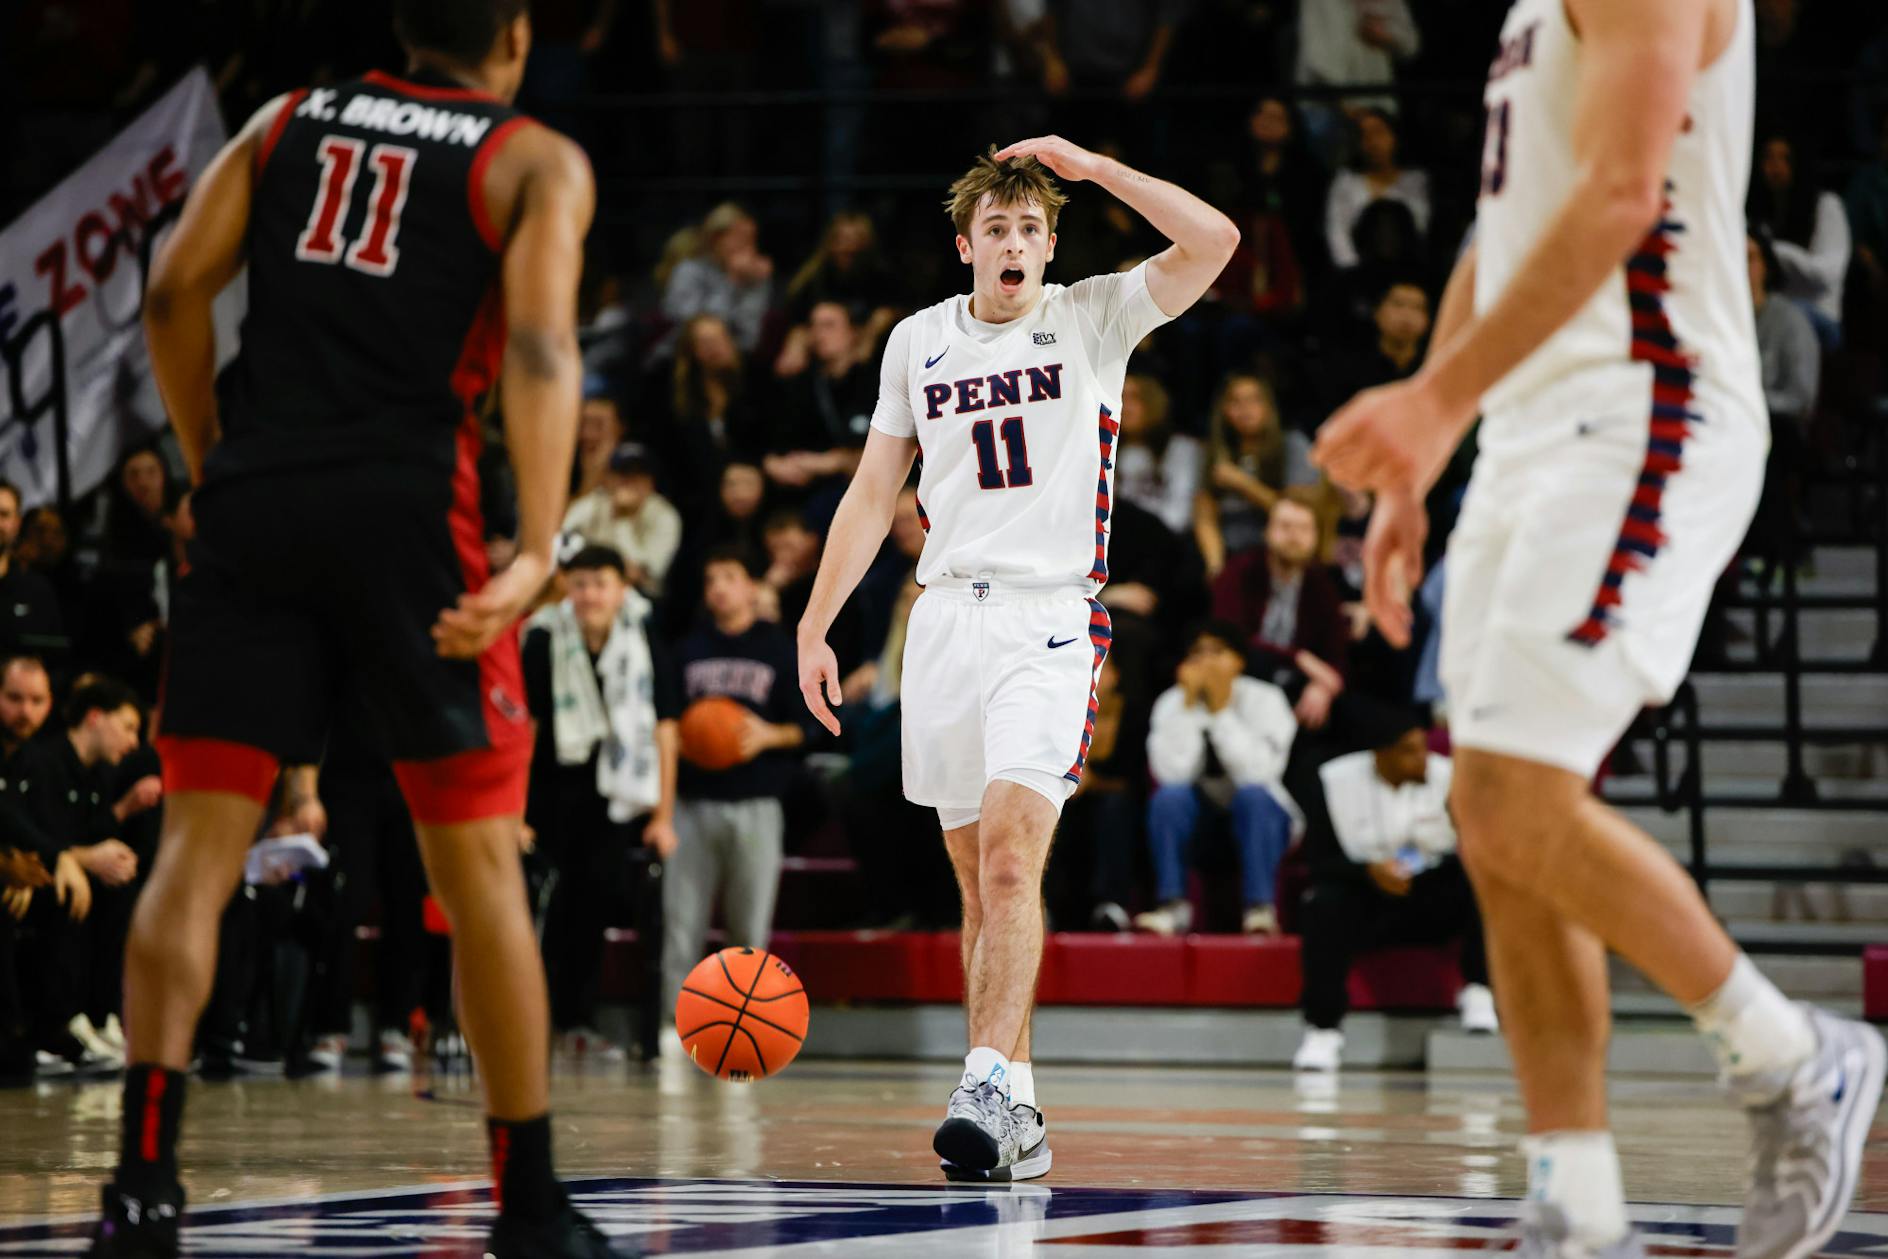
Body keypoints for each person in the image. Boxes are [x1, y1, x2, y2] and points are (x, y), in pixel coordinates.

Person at [1313, 0, 1884, 1252]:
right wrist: (1426, 444)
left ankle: (1796, 1058)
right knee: (1492, 818)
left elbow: (1625, 193)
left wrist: (1434, 404)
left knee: (1514, 794)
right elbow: (1504, 231)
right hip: (1530, 430)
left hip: (1647, 405)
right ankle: (1576, 1204)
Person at [90, 1, 612, 1254]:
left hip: (257, 504)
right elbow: (542, 348)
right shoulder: (531, 158)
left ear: (405, 24)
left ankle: (143, 1186)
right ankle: (528, 1204)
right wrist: (539, 547)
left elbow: (172, 292)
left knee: (192, 856)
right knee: (477, 868)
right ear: (515, 36)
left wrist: (215, 465)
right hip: (411, 518)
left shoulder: (283, 121)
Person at [797, 139, 1237, 1182]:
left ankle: (982, 1079)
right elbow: (873, 491)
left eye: (1030, 228)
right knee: (977, 883)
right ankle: (1018, 1107)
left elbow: (1213, 240)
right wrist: (816, 622)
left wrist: (1096, 169)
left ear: (1049, 247)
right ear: (966, 246)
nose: (1013, 242)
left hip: (1050, 619)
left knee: (1009, 859)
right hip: (946, 619)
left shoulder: (1092, 317)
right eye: (995, 227)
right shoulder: (916, 341)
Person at [523, 545, 680, 1061]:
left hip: (615, 796)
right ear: (566, 588)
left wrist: (662, 815)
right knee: (545, 910)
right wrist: (517, 812)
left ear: (621, 589)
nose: (589, 594)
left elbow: (665, 727)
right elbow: (526, 730)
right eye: (580, 584)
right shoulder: (544, 639)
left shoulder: (643, 636)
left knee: (594, 908)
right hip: (550, 795)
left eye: (600, 584)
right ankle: (532, 1021)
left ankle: (579, 1020)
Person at [1292, 716, 1495, 1074]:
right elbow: (1320, 862)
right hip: (1365, 898)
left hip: (1430, 894)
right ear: (1380, 755)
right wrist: (1368, 871)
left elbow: (1481, 847)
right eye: (1409, 752)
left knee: (1479, 880)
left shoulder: (1447, 776)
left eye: (1423, 748)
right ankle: (1323, 1029)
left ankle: (1479, 989)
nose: (1423, 759)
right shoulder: (1334, 781)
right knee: (1323, 903)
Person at [663, 550, 809, 1026]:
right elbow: (665, 723)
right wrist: (685, 739)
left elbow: (810, 727)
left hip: (757, 802)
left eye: (729, 577)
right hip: (693, 802)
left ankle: (744, 1028)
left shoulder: (780, 649)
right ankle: (673, 1028)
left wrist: (768, 735)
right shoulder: (687, 648)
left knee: (749, 930)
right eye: (711, 580)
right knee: (681, 926)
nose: (718, 588)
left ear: (752, 587)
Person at [1134, 621, 1297, 937]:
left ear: (1239, 661)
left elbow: (1259, 773)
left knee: (1253, 796)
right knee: (1169, 798)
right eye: (1197, 653)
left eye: (1217, 652)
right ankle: (1173, 906)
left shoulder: (1267, 699)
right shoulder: (1172, 702)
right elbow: (1172, 775)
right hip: (1201, 823)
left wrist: (1221, 711)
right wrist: (1189, 708)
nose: (1206, 661)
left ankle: (1260, 909)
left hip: (1261, 821)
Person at [1192, 374, 1314, 579]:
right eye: (1235, 401)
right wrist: (1216, 568)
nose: (1245, 409)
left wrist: (1241, 483)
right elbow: (1204, 512)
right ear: (1223, 410)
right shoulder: (1215, 452)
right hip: (1227, 551)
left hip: (1280, 550)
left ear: (1269, 407)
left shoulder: (1292, 444)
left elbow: (1296, 513)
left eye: (1254, 400)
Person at [1746, 132, 1851, 348]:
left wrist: (1771, 250)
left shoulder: (1826, 206)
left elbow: (1825, 274)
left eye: (1783, 158)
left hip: (1820, 316)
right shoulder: (1761, 214)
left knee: (1785, 317)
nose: (1775, 167)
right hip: (1774, 307)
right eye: (1768, 158)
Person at [560, 442, 683, 596]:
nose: (628, 482)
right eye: (623, 474)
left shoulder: (664, 515)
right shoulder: (594, 503)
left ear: (650, 482)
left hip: (640, 596)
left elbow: (641, 574)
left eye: (637, 475)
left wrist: (623, 519)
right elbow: (561, 539)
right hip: (588, 586)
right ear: (608, 478)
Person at [1325, 109, 1430, 272]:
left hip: (1411, 270)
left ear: (1394, 136)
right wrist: (1354, 273)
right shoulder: (1346, 182)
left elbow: (1422, 228)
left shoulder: (1417, 180)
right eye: (1364, 135)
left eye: (1379, 133)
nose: (1373, 142)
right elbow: (1338, 234)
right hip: (1357, 272)